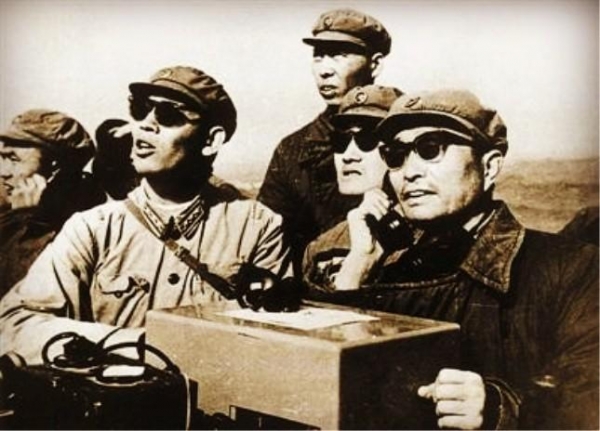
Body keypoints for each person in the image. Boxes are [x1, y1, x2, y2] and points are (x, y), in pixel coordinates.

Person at [305, 89, 598, 429]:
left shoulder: (572, 268)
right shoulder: (384, 266)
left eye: (431, 149)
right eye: (396, 155)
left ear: (489, 166)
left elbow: (589, 400)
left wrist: (499, 408)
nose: (409, 172)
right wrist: (358, 266)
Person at [0, 66, 291, 364]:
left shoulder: (258, 227)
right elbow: (14, 324)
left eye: (168, 115)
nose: (145, 125)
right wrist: (137, 346)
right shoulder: (92, 228)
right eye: (140, 110)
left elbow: (281, 340)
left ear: (210, 141)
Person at [258, 8, 393, 270]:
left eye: (339, 55)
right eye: (318, 56)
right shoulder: (293, 150)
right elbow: (270, 240)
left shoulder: (407, 132)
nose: (325, 70)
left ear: (374, 64)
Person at [301, 84, 402, 291]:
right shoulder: (322, 248)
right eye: (341, 141)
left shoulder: (431, 242)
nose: (348, 155)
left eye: (367, 139)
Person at [0, 109, 105, 298]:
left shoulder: (78, 219)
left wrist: (24, 219)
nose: (3, 172)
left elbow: (16, 292)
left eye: (14, 159)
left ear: (54, 167)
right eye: (2, 158)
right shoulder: (8, 201)